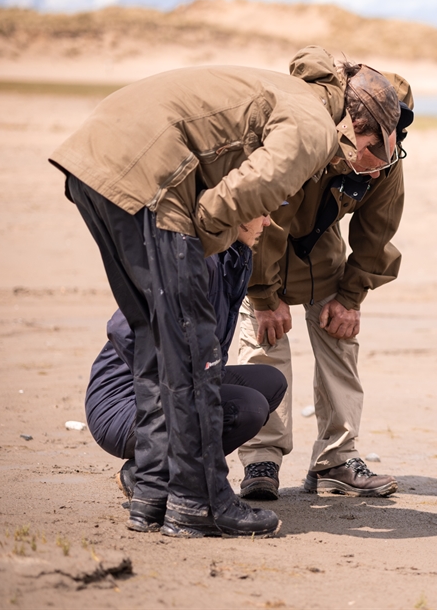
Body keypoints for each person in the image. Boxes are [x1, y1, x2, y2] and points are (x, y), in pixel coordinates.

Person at [49, 45, 403, 538]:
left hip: (95, 163)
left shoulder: (290, 96)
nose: (379, 164)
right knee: (189, 354)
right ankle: (203, 502)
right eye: (381, 149)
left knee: (157, 343)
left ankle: (152, 494)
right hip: (151, 180)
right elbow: (241, 194)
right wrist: (205, 241)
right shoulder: (315, 123)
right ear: (357, 127)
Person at [234, 71, 414, 500]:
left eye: (392, 140)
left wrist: (351, 297)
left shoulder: (387, 150)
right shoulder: (300, 136)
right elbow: (266, 217)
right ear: (350, 128)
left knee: (340, 338)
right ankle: (261, 459)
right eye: (371, 149)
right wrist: (263, 298)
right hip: (256, 236)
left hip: (320, 245)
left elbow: (378, 231)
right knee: (262, 343)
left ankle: (337, 459)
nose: (381, 162)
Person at [85, 215, 287, 511]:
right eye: (263, 211)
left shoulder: (236, 257)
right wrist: (178, 389)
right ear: (240, 212)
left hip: (177, 388)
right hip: (124, 402)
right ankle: (166, 478)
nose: (270, 221)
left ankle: (149, 471)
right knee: (249, 408)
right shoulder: (198, 259)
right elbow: (120, 330)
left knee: (271, 382)